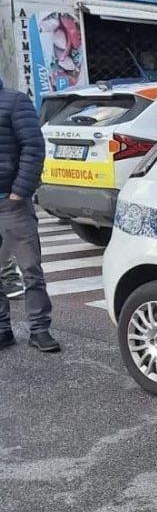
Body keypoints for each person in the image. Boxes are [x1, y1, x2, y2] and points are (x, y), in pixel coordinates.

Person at [0, 76, 57, 353]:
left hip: (12, 204)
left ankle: (39, 329)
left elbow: (33, 148)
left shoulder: (14, 102)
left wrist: (19, 192)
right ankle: (2, 329)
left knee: (30, 269)